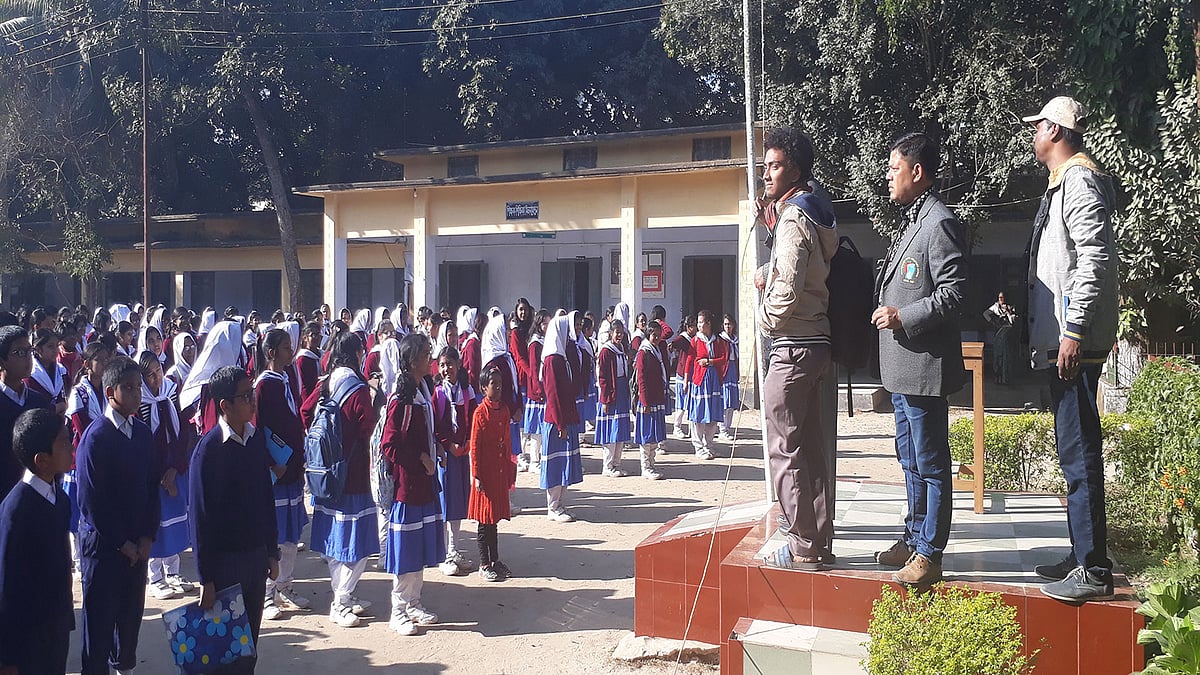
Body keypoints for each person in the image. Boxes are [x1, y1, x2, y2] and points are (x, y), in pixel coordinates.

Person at [1022, 96, 1118, 602]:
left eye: (1038, 126)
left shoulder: (1078, 181)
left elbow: (1093, 258)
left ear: (1056, 131)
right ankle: (1082, 553)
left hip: (1074, 345)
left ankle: (1094, 569)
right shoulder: (1064, 184)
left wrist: (1073, 330)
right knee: (1072, 451)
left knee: (1079, 452)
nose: (1033, 133)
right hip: (1065, 342)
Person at [872, 132, 969, 587]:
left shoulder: (940, 222)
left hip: (925, 367)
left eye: (894, 168)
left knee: (931, 462)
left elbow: (955, 295)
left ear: (917, 172)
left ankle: (931, 552)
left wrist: (902, 314)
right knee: (910, 460)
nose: (888, 176)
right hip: (902, 368)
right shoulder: (914, 220)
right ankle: (913, 538)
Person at [751, 127, 840, 572]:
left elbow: (785, 293)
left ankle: (801, 543)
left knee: (784, 450)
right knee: (814, 450)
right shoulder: (819, 211)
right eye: (765, 166)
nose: (766, 174)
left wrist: (763, 325)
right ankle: (819, 539)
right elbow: (805, 273)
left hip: (792, 347)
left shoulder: (791, 218)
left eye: (775, 165)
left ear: (796, 170)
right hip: (820, 342)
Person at [188, 366, 280, 673]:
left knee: (249, 646)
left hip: (255, 558)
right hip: (226, 565)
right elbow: (200, 519)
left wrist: (271, 551)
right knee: (225, 649)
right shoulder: (209, 451)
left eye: (251, 393)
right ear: (224, 405)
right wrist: (206, 578)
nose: (252, 401)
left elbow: (266, 498)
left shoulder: (254, 440)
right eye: (244, 396)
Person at [76, 356, 160, 675]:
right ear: (111, 393)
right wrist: (120, 541)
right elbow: (91, 501)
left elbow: (152, 486)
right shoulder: (96, 438)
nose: (138, 394)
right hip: (104, 549)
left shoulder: (141, 433)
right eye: (129, 388)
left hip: (137, 550)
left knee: (129, 623)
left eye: (139, 387)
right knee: (99, 627)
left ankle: (125, 667)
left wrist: (147, 536)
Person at [300, 331, 379, 629]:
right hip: (353, 475)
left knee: (335, 541)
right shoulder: (358, 389)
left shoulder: (326, 382)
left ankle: (344, 594)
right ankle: (341, 600)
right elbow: (367, 425)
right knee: (356, 542)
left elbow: (306, 411)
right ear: (357, 354)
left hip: (326, 473)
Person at [0, 409, 75, 674]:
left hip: (55, 626)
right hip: (27, 638)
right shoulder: (16, 511)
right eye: (64, 442)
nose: (72, 446)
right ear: (42, 460)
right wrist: (7, 658)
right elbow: (8, 588)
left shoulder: (61, 499)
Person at [380, 333, 445, 636]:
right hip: (408, 488)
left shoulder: (422, 390)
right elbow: (390, 444)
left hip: (424, 485)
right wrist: (420, 456)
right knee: (406, 550)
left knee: (418, 547)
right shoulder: (403, 399)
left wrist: (435, 448)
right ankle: (398, 610)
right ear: (412, 361)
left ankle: (414, 602)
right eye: (426, 353)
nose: (431, 357)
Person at [254, 329, 312, 620]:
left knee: (291, 535)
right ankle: (266, 592)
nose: (292, 351)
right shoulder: (264, 386)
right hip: (276, 471)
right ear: (272, 352)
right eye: (286, 347)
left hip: (292, 469)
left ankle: (285, 586)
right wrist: (270, 462)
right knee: (274, 535)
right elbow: (259, 427)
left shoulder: (287, 379)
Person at [137, 352, 196, 601]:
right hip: (153, 473)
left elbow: (185, 429)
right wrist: (161, 473)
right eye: (149, 374)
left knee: (175, 520)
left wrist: (177, 466)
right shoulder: (139, 400)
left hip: (175, 465)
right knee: (156, 523)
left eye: (158, 371)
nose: (156, 378)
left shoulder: (172, 390)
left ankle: (173, 571)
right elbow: (142, 440)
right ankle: (155, 577)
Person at [431, 347, 476, 577]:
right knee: (444, 502)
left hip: (462, 454)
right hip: (445, 456)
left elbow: (474, 420)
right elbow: (435, 427)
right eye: (442, 365)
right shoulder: (437, 394)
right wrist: (449, 446)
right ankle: (444, 554)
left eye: (450, 363)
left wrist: (467, 443)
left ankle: (455, 547)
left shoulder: (467, 393)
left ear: (458, 365)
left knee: (458, 502)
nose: (447, 369)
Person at [470, 366, 516, 582]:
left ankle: (496, 560)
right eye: (493, 384)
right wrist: (476, 475)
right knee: (484, 520)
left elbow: (506, 441)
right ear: (483, 388)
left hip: (498, 471)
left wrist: (509, 468)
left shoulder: (504, 410)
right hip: (485, 475)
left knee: (494, 519)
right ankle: (484, 563)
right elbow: (476, 446)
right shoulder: (480, 413)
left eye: (500, 384)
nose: (497, 388)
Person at [0, 326, 54, 500]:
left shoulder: (39, 402)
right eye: (19, 352)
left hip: (37, 496)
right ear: (2, 361)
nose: (28, 358)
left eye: (29, 351)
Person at [541, 314, 583, 522]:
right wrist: (560, 422)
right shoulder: (551, 360)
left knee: (565, 461)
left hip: (566, 417)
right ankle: (553, 506)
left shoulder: (561, 356)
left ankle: (560, 504)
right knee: (556, 463)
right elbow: (552, 393)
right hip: (557, 421)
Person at [596, 319, 633, 477]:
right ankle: (608, 465)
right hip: (610, 395)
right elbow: (602, 377)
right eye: (616, 332)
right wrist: (605, 399)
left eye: (621, 332)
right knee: (611, 431)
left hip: (622, 392)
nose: (619, 335)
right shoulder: (606, 351)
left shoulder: (621, 349)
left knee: (620, 431)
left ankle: (617, 463)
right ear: (611, 333)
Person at [634, 320, 669, 480]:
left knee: (654, 435)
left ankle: (652, 463)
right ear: (648, 335)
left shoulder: (656, 350)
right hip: (647, 400)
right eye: (653, 335)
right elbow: (641, 378)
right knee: (647, 436)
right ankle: (645, 466)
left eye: (658, 334)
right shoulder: (644, 352)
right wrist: (645, 402)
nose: (656, 337)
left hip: (657, 397)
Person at [521, 310, 550, 473]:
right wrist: (538, 390)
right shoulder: (534, 343)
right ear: (539, 325)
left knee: (542, 428)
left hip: (544, 389)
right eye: (545, 323)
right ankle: (534, 460)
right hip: (537, 391)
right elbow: (534, 369)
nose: (547, 326)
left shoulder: (545, 341)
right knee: (536, 431)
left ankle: (540, 458)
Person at [668, 316, 697, 439]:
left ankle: (692, 428)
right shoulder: (683, 338)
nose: (695, 328)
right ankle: (677, 427)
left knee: (692, 403)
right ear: (688, 327)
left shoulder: (696, 338)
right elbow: (672, 344)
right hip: (682, 374)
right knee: (681, 404)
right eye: (693, 326)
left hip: (693, 374)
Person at [983, 292, 1019, 385]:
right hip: (999, 332)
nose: (1001, 299)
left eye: (1003, 297)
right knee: (998, 355)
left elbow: (1014, 320)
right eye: (1000, 297)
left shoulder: (1011, 307)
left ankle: (1006, 378)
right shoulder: (995, 307)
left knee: (1007, 356)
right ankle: (998, 377)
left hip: (1009, 332)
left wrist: (1008, 312)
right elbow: (986, 314)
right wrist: (994, 322)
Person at [717, 315, 740, 440]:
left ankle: (728, 427)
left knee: (731, 402)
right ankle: (722, 428)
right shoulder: (721, 339)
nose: (728, 327)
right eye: (725, 324)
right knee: (724, 401)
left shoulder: (735, 340)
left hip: (732, 370)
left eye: (730, 324)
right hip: (724, 371)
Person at [294, 320, 324, 403]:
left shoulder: (322, 355)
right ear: (305, 337)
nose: (317, 338)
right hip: (309, 400)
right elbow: (303, 387)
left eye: (318, 334)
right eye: (313, 335)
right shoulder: (302, 359)